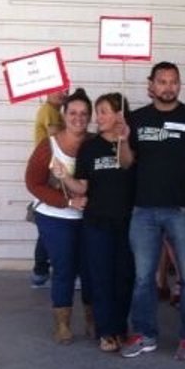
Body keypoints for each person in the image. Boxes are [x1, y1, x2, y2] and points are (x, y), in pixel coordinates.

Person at [120, 62, 185, 361]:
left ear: (179, 84)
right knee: (143, 278)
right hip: (143, 210)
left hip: (181, 209)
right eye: (162, 81)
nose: (168, 87)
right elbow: (125, 163)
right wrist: (122, 138)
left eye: (173, 81)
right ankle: (144, 334)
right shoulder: (136, 119)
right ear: (151, 84)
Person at [55, 92, 136, 352]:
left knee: (124, 277)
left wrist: (124, 140)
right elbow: (82, 187)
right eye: (97, 112)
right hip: (97, 222)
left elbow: (127, 164)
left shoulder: (130, 143)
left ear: (119, 115)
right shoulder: (90, 147)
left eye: (103, 112)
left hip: (127, 222)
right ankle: (106, 331)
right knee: (100, 278)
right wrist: (64, 176)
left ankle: (120, 328)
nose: (97, 118)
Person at [25, 90, 92, 343]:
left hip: (88, 218)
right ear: (64, 115)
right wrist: (67, 201)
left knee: (91, 268)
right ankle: (62, 325)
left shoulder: (96, 143)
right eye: (73, 113)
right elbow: (33, 183)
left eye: (84, 113)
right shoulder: (48, 146)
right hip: (54, 216)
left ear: (90, 117)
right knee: (64, 269)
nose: (78, 118)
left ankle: (92, 319)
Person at [30, 88, 67, 287]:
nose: (62, 94)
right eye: (57, 90)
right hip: (49, 172)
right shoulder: (49, 111)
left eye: (65, 90)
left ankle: (41, 272)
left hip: (52, 170)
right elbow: (55, 138)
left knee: (49, 226)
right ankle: (41, 272)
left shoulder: (55, 111)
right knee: (49, 226)